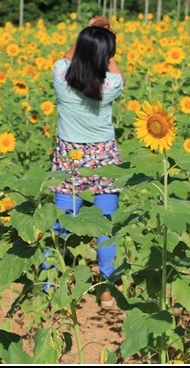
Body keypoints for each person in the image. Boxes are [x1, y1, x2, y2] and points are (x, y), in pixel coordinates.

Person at [47, 16, 125, 309]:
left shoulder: (60, 78)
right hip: (104, 159)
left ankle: (49, 284)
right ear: (106, 58)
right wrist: (106, 42)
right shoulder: (110, 87)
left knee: (60, 227)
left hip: (71, 162)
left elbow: (66, 57)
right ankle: (106, 291)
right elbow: (117, 73)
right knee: (105, 228)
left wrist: (88, 36)